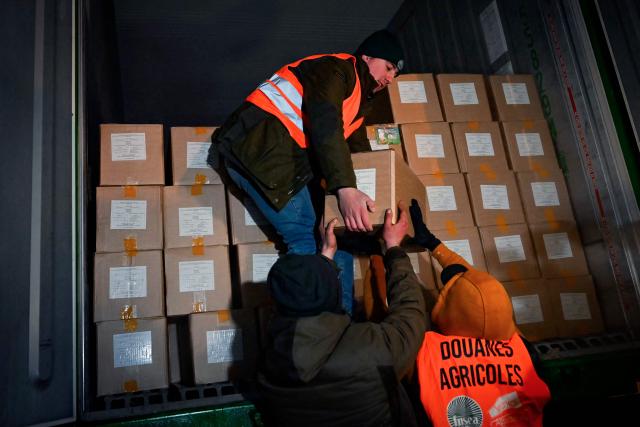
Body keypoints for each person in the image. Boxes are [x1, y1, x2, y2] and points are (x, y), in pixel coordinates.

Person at [207, 30, 405, 311]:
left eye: (394, 75)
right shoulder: (335, 70)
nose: (389, 79)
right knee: (305, 238)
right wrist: (346, 189)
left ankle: (340, 326)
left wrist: (381, 200)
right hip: (257, 147)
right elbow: (326, 126)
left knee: (337, 237)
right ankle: (309, 332)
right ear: (368, 56)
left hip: (281, 159)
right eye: (388, 68)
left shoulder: (360, 104)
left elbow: (361, 156)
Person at [257, 201, 428, 427]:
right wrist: (394, 248)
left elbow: (306, 302)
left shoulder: (271, 363)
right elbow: (411, 316)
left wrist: (326, 257)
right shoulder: (370, 348)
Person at [408, 200, 551, 427]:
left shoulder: (428, 351)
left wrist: (384, 254)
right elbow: (482, 297)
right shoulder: (520, 348)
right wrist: (433, 245)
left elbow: (390, 327)